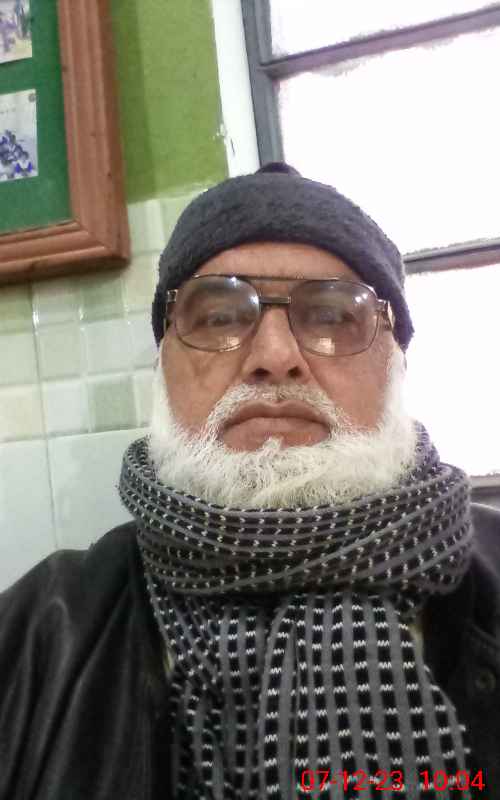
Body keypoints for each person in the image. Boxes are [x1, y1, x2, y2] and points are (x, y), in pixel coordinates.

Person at [0, 162, 499, 800]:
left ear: (397, 362)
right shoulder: (32, 637)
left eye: (333, 316)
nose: (274, 356)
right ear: (163, 367)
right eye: (218, 318)